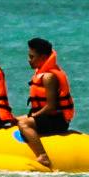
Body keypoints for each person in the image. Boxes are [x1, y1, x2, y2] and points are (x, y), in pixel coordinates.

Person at [15, 36, 73, 169]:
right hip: (47, 117)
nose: (29, 60)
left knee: (24, 124)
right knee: (14, 119)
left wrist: (34, 116)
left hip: (57, 121)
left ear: (42, 57)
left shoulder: (49, 77)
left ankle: (43, 156)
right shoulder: (41, 74)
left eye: (32, 57)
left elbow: (51, 106)